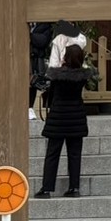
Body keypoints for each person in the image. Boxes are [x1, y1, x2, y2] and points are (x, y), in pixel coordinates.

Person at [38, 42, 91, 197]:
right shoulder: (82, 77)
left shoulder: (56, 76)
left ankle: (46, 188)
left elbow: (51, 94)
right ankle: (74, 188)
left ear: (66, 58)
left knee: (52, 154)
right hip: (76, 118)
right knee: (74, 155)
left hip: (58, 117)